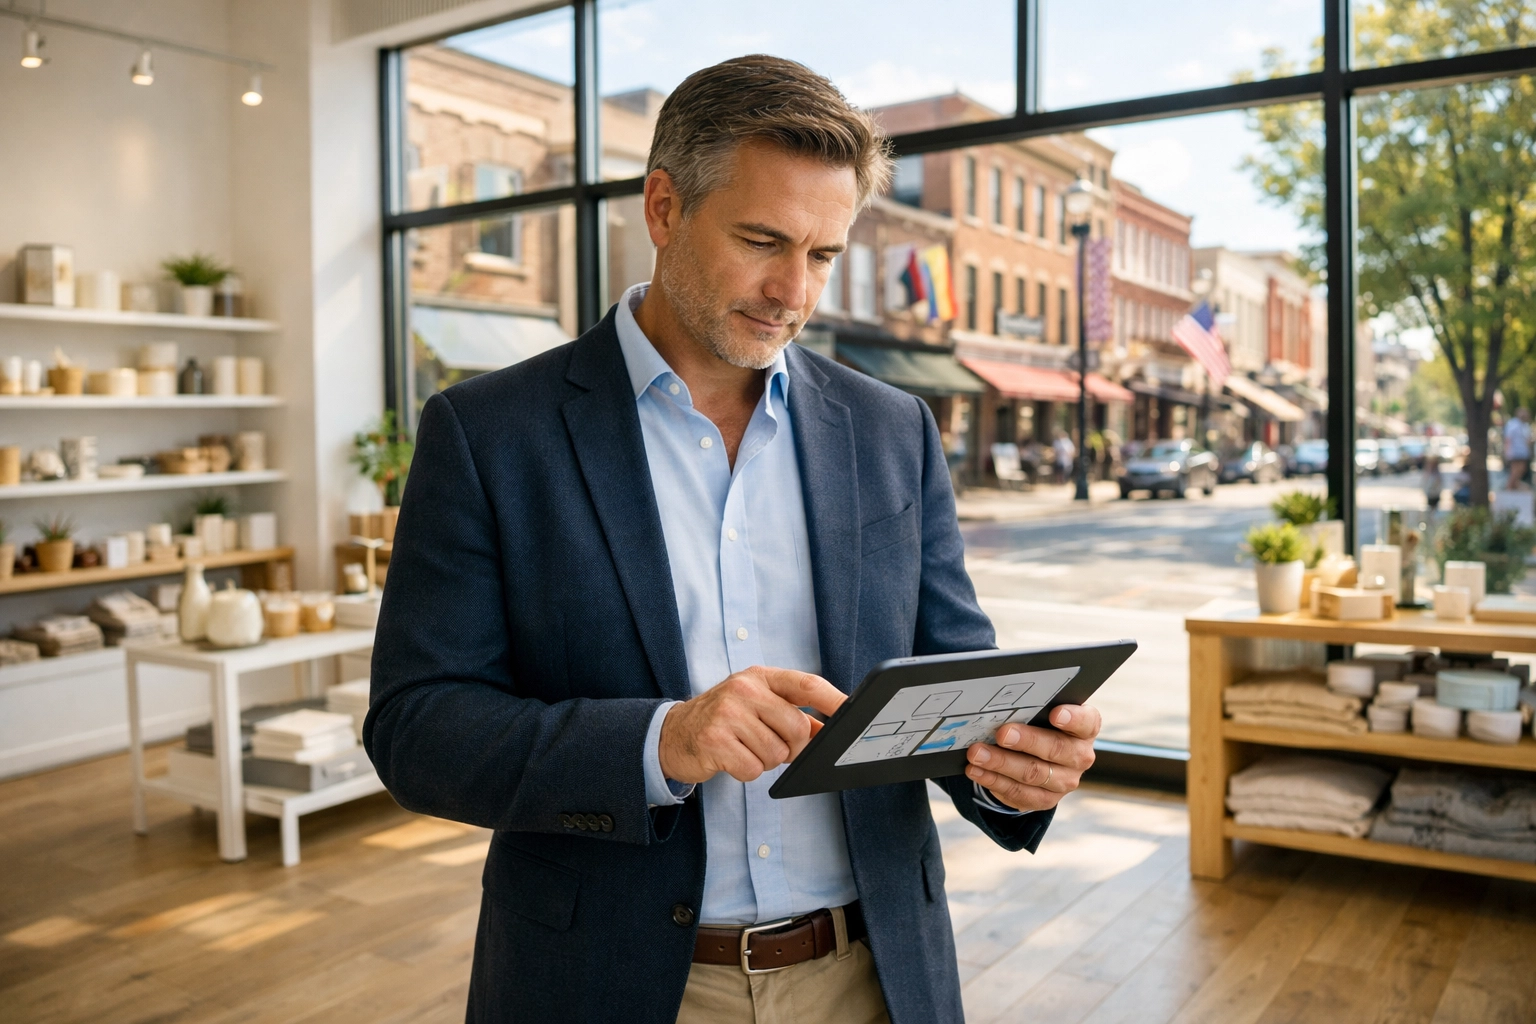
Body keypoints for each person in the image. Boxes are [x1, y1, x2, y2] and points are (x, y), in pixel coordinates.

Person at [366, 55, 1101, 1024]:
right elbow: (418, 729)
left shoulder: (890, 428)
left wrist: (1014, 769)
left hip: (871, 974)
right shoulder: (490, 430)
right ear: (663, 207)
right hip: (609, 982)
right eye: (762, 240)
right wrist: (661, 739)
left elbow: (946, 672)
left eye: (824, 254)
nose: (793, 291)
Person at [1504, 407, 1531, 489]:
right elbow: (1508, 438)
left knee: (1522, 469)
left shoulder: (1525, 425)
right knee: (1515, 470)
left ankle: (1515, 485)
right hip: (1515, 451)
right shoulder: (1513, 424)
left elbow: (1527, 440)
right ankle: (1510, 486)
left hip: (1522, 452)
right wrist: (1507, 451)